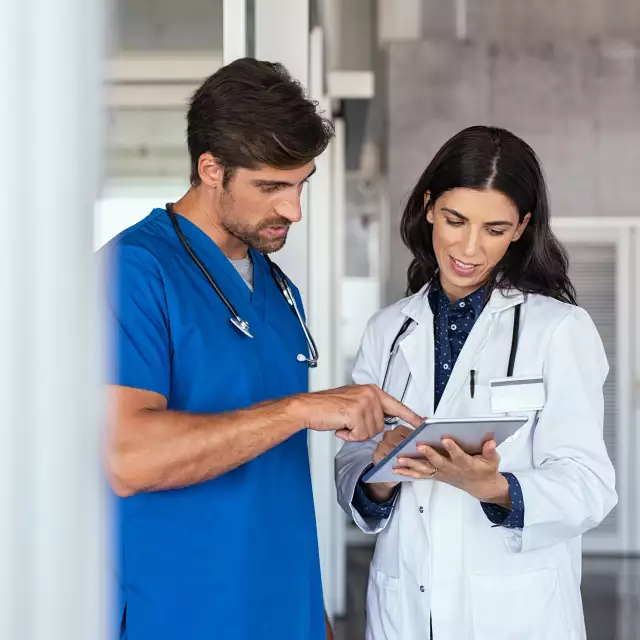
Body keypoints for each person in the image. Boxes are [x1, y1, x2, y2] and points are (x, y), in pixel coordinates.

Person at [102, 58, 421, 640]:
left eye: (301, 183)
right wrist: (300, 409)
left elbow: (277, 480)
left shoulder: (278, 290)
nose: (293, 209)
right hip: (182, 616)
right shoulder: (134, 272)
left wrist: (313, 615)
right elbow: (129, 457)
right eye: (272, 187)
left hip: (285, 613)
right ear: (211, 169)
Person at [335, 126, 617, 640]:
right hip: (406, 608)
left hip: (516, 613)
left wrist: (493, 487)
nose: (468, 247)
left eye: (494, 228)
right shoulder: (389, 330)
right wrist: (382, 469)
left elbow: (590, 485)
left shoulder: (558, 329)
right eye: (455, 220)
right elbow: (352, 464)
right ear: (428, 207)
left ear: (520, 228)